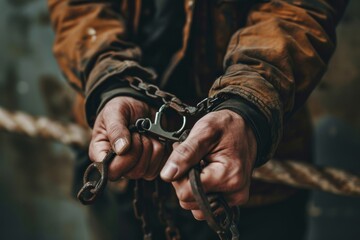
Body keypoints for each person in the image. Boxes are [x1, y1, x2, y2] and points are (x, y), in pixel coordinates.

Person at [48, 0, 348, 239]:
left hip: (250, 167)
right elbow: (77, 7)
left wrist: (247, 103)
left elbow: (302, 7)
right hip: (125, 165)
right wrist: (112, 81)